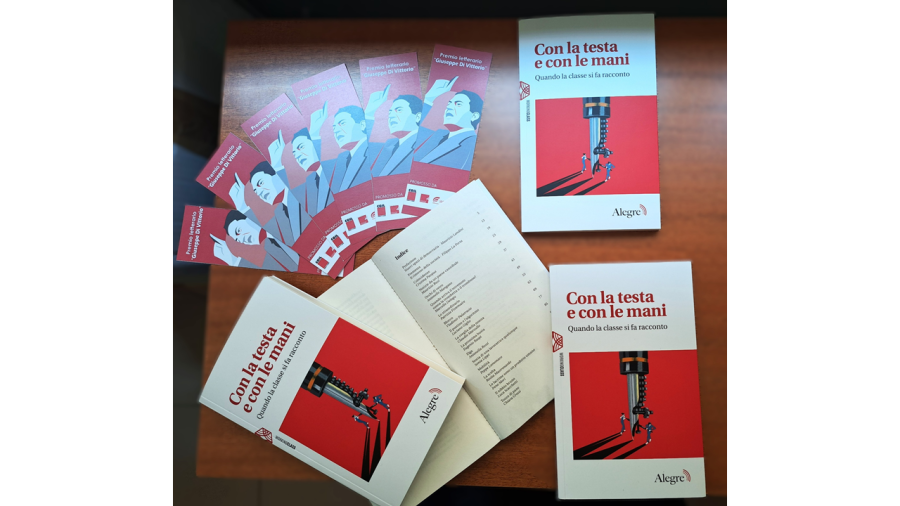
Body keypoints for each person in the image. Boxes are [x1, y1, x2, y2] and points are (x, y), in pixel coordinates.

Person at [414, 77, 482, 172]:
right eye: (449, 104)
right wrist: (429, 99)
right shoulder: (439, 134)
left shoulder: (472, 145)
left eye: (458, 104)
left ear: (474, 116)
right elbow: (413, 137)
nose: (449, 108)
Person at [365, 89, 437, 177]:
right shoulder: (389, 145)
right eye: (390, 112)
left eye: (399, 110)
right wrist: (369, 113)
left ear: (417, 117)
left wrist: (428, 100)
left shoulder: (426, 141)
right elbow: (366, 151)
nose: (391, 116)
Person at [321, 105, 384, 193]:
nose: (336, 130)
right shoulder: (341, 159)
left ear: (362, 125)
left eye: (342, 123)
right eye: (334, 128)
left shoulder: (379, 150)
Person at [210, 210, 301, 271]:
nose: (242, 239)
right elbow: (293, 267)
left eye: (238, 231)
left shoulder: (280, 214)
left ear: (247, 218)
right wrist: (234, 261)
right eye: (237, 239)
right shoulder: (269, 248)